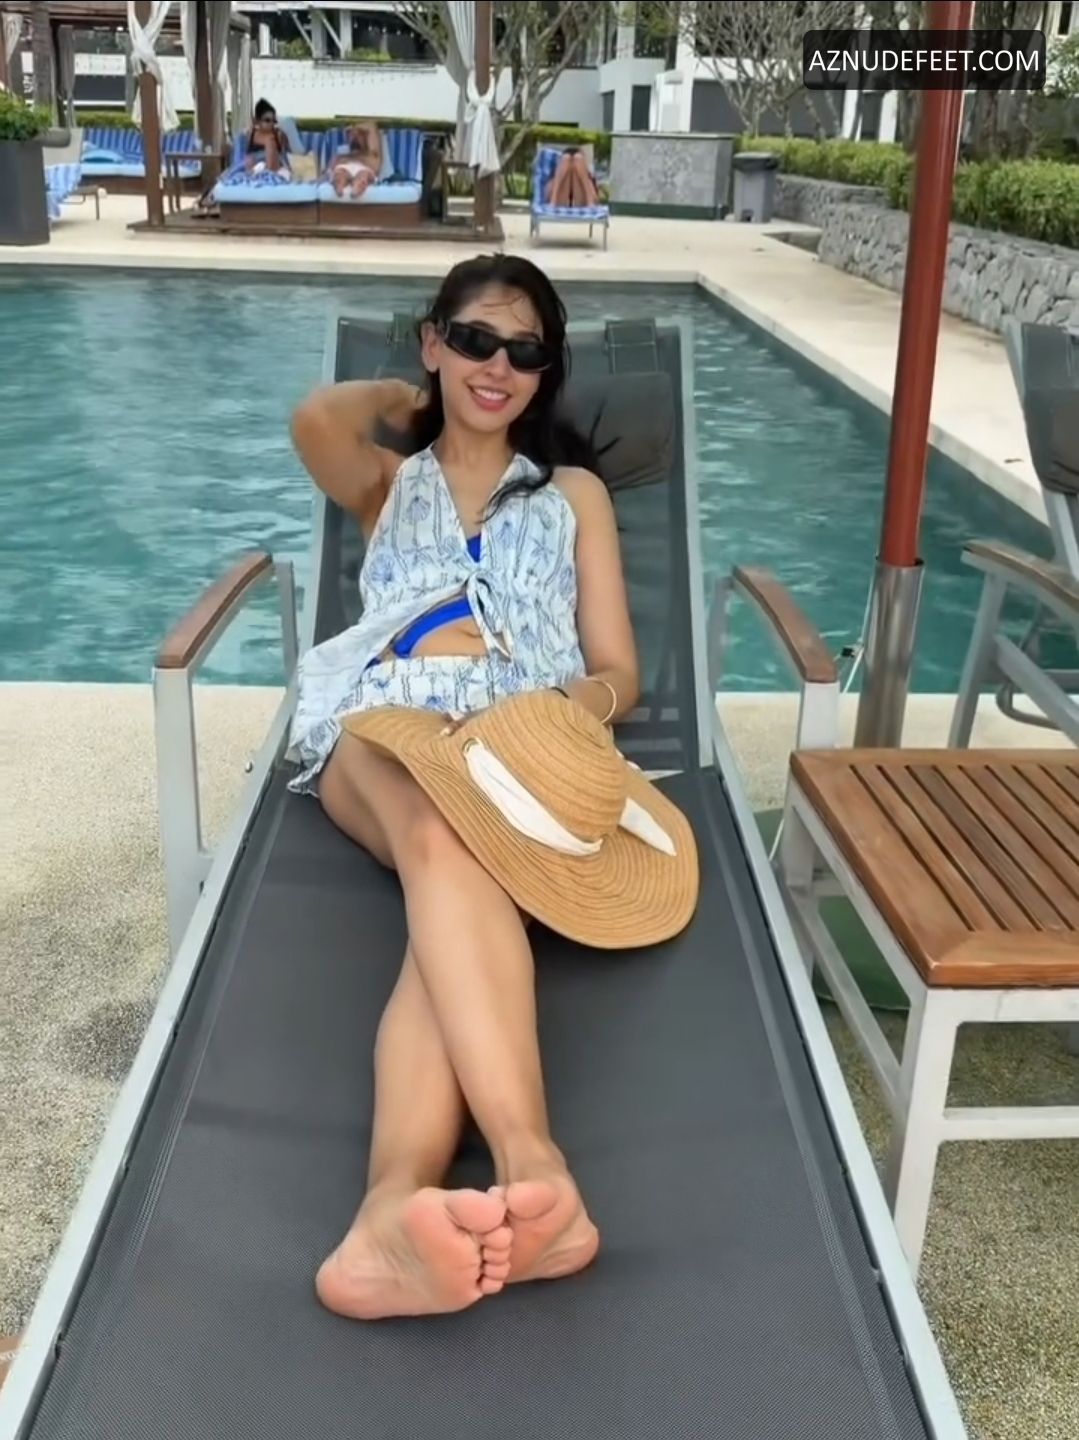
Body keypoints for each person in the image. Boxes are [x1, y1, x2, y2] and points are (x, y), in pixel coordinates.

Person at [288, 254, 696, 1323]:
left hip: (520, 750)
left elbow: (618, 668)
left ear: (545, 373)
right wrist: (411, 394)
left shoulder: (573, 495)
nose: (497, 366)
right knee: (436, 826)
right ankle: (533, 1164)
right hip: (383, 724)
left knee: (454, 871)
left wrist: (560, 717)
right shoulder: (388, 483)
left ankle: (394, 1208)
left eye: (524, 351)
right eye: (474, 339)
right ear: (434, 341)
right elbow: (317, 418)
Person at [330, 120, 382, 199]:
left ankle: (357, 188)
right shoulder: (342, 153)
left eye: (359, 134)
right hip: (345, 168)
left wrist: (344, 158)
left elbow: (371, 126)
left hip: (364, 169)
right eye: (352, 134)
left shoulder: (372, 156)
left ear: (366, 137)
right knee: (340, 175)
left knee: (362, 176)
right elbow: (330, 168)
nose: (355, 138)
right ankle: (339, 185)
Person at [244, 97, 290, 176]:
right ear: (258, 121)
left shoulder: (278, 134)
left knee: (270, 141)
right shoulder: (251, 134)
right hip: (255, 167)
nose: (271, 124)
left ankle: (268, 174)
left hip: (275, 167)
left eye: (273, 121)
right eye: (267, 120)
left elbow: (285, 154)